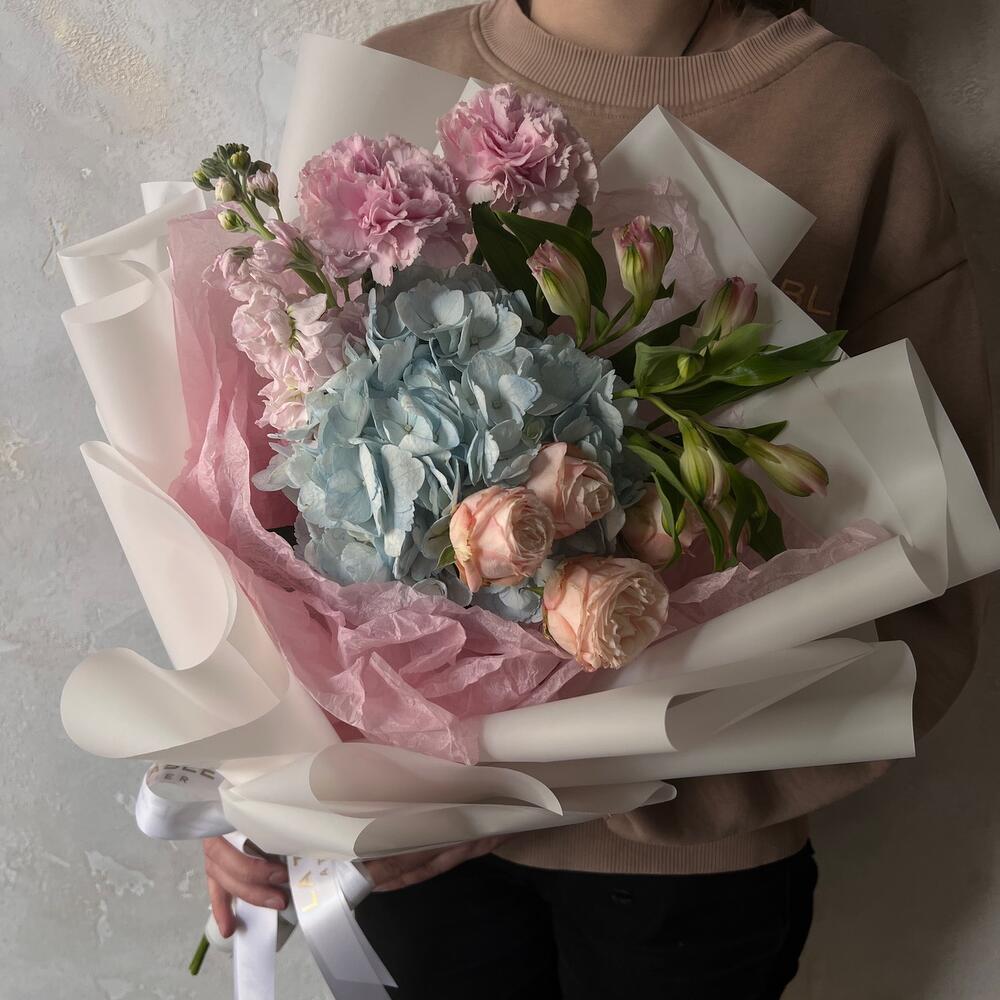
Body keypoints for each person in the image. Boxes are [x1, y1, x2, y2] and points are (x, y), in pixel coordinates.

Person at [201, 1, 993, 996]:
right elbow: (276, 481)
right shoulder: (390, 82)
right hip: (408, 859)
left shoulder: (845, 116)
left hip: (683, 875)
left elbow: (933, 549)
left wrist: (546, 783)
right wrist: (258, 780)